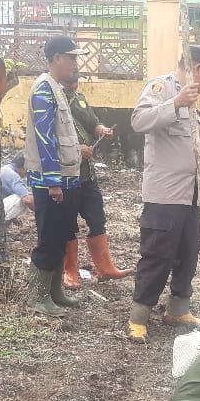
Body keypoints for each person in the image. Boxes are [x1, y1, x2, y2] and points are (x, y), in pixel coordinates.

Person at [126, 45, 200, 344]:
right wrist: (176, 103)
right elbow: (139, 121)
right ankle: (138, 316)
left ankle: (177, 310)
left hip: (189, 194)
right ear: (198, 69)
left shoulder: (191, 99)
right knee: (157, 255)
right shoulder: (162, 87)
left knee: (187, 252)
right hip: (165, 194)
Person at [22, 35, 86, 317]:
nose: (75, 62)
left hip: (67, 179)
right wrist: (52, 182)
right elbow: (45, 139)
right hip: (52, 182)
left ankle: (54, 291)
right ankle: (37, 296)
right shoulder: (43, 90)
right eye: (72, 57)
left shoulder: (57, 89)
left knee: (62, 235)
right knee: (49, 238)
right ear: (57, 57)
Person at [59, 75, 132, 288]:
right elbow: (47, 138)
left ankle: (105, 268)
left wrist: (100, 129)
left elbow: (93, 121)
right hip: (66, 174)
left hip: (87, 173)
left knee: (97, 217)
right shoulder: (51, 102)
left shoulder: (80, 99)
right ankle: (70, 270)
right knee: (68, 223)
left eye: (74, 84)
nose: (72, 88)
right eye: (68, 84)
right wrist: (75, 150)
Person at [0, 152, 33, 221]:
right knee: (21, 198)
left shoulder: (6, 168)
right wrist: (41, 213)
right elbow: (28, 200)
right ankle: (2, 226)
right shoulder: (14, 176)